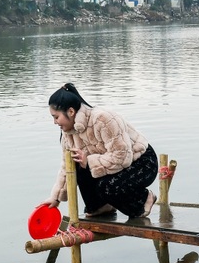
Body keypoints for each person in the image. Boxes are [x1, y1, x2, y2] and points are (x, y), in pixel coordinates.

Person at [40, 83, 158, 218]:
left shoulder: (103, 119)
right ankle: (100, 207)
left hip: (142, 162)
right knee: (76, 165)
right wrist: (55, 198)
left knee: (107, 187)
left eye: (56, 117)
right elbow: (66, 166)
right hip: (112, 166)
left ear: (71, 112)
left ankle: (144, 199)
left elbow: (122, 156)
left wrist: (89, 162)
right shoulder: (67, 134)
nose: (55, 122)